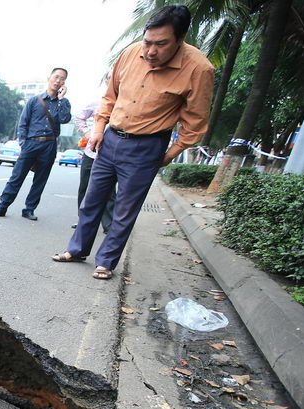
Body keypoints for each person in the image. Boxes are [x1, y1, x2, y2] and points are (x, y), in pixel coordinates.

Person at [52, 4, 214, 279]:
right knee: (91, 201)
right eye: (148, 42)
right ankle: (76, 249)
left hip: (147, 147)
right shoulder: (130, 53)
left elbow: (195, 122)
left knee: (125, 210)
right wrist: (99, 128)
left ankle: (106, 262)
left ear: (180, 39)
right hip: (111, 139)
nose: (150, 51)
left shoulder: (198, 69)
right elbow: (110, 96)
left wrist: (171, 153)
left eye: (161, 44)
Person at [0, 68, 71, 221]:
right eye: (56, 77)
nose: (58, 81)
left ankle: (29, 209)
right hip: (31, 144)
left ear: (64, 83)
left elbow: (65, 119)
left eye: (62, 79)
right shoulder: (35, 100)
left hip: (49, 145)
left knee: (40, 180)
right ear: (49, 77)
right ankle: (2, 206)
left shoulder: (63, 102)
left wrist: (61, 100)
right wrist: (23, 143)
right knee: (17, 176)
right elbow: (23, 123)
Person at [73, 98, 115, 232]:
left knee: (109, 190)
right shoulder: (99, 101)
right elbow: (79, 117)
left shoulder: (125, 102)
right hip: (91, 152)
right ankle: (83, 221)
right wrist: (87, 132)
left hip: (111, 153)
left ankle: (108, 225)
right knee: (85, 188)